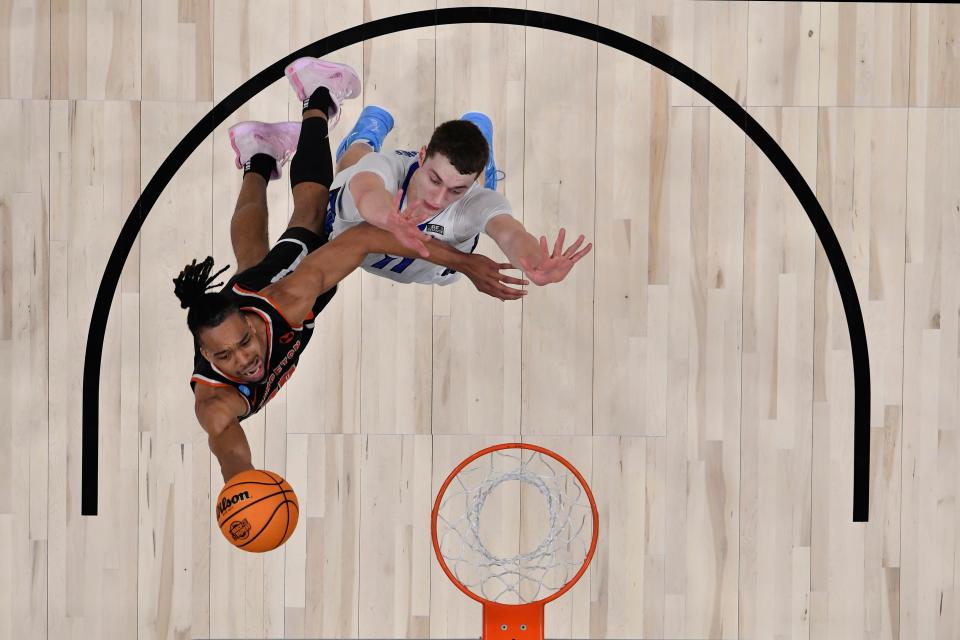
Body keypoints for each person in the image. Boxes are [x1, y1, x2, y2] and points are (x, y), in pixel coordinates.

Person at [174, 58, 514, 482]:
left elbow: (365, 238)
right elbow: (227, 447)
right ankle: (258, 155)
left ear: (247, 321)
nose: (244, 359)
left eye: (243, 342)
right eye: (225, 355)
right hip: (249, 297)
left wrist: (466, 263)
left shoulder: (289, 298)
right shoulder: (215, 404)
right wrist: (242, 486)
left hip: (277, 289)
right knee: (250, 265)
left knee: (313, 214)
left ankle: (316, 96)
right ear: (205, 356)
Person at [325, 105, 593, 291]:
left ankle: (481, 156)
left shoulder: (476, 202)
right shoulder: (386, 167)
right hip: (352, 223)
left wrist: (536, 262)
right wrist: (388, 220)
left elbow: (510, 234)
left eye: (456, 190)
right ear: (422, 155)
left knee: (481, 189)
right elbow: (366, 190)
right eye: (434, 179)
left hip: (433, 270)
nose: (439, 198)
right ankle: (365, 135)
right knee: (354, 164)